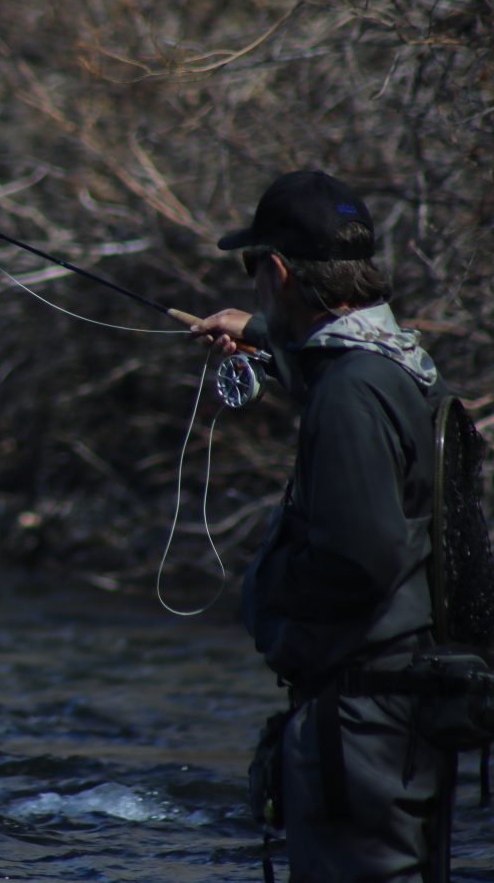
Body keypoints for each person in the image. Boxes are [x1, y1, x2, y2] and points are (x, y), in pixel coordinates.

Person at [190, 170, 452, 883]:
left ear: (276, 271)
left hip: (361, 726)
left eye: (252, 271)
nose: (251, 286)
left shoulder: (349, 397)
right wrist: (262, 338)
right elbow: (337, 367)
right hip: (398, 716)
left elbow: (360, 557)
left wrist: (268, 594)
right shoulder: (394, 365)